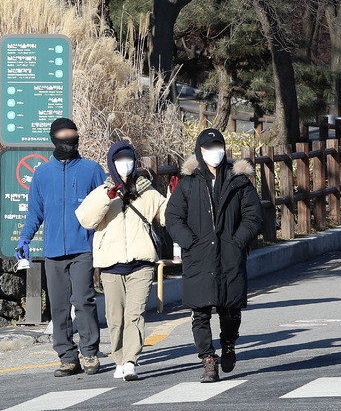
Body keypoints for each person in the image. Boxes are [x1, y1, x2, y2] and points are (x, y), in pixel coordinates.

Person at [165, 128, 262, 383]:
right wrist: (189, 242)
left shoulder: (239, 180)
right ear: (200, 151)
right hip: (198, 256)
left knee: (230, 311)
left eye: (218, 146)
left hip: (230, 255)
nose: (214, 152)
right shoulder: (187, 182)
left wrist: (238, 241)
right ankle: (208, 359)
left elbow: (253, 215)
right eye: (209, 147)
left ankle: (228, 344)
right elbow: (173, 217)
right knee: (200, 312)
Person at [15, 118, 106, 377]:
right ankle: (67, 357)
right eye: (63, 135)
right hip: (53, 251)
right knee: (58, 306)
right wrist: (25, 239)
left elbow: (105, 205)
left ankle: (89, 353)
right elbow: (35, 212)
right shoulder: (42, 174)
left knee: (84, 301)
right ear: (53, 138)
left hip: (83, 248)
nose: (69, 139)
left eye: (72, 134)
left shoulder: (91, 169)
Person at [75, 141, 168, 381]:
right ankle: (118, 358)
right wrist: (107, 196)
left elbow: (168, 215)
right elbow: (85, 219)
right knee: (115, 318)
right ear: (111, 163)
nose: (124, 165)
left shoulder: (148, 191)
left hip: (142, 264)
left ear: (135, 162)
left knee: (135, 315)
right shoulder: (103, 191)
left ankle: (130, 361)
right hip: (111, 265)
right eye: (119, 160)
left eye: (128, 160)